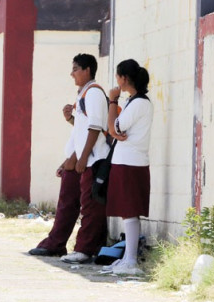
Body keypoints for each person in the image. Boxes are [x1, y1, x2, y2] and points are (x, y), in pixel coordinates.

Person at [28, 53, 110, 264]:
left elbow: (96, 128)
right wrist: (71, 121)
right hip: (80, 158)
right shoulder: (82, 94)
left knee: (90, 207)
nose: (71, 73)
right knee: (68, 202)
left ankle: (85, 248)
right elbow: (82, 130)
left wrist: (82, 158)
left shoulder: (94, 93)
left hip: (93, 160)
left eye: (75, 69)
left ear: (87, 70)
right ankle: (56, 244)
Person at [104, 59, 153, 276]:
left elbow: (115, 127)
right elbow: (114, 131)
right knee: (126, 212)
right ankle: (126, 258)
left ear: (124, 78)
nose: (116, 81)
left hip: (131, 163)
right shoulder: (134, 101)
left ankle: (131, 260)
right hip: (125, 161)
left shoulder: (140, 103)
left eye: (117, 76)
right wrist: (115, 131)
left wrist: (112, 101)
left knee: (130, 212)